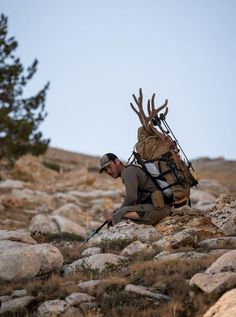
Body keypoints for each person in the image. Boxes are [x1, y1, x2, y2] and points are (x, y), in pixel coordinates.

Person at [99, 153, 171, 226]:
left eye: (109, 166)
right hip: (158, 208)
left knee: (117, 215)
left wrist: (116, 214)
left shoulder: (128, 171)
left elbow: (131, 198)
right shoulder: (129, 170)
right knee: (119, 213)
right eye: (106, 170)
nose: (108, 171)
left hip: (159, 208)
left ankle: (121, 235)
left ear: (117, 161)